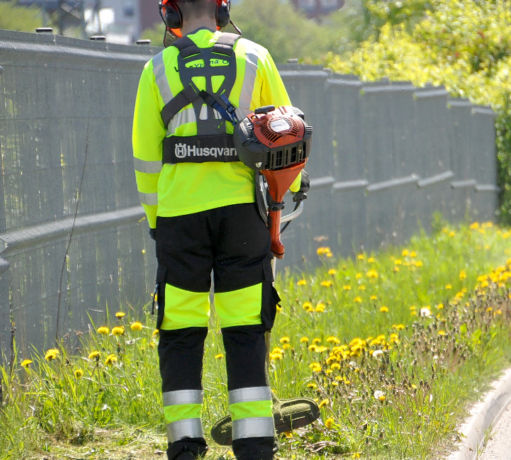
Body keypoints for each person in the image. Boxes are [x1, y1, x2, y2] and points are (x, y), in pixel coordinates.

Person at [132, 1, 302, 458]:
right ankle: (254, 448)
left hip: (178, 219)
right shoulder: (256, 58)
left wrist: (156, 223)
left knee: (181, 331)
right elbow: (290, 136)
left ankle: (184, 448)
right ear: (223, 9)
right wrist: (279, 208)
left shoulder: (157, 69)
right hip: (241, 215)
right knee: (246, 327)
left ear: (170, 15)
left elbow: (146, 160)